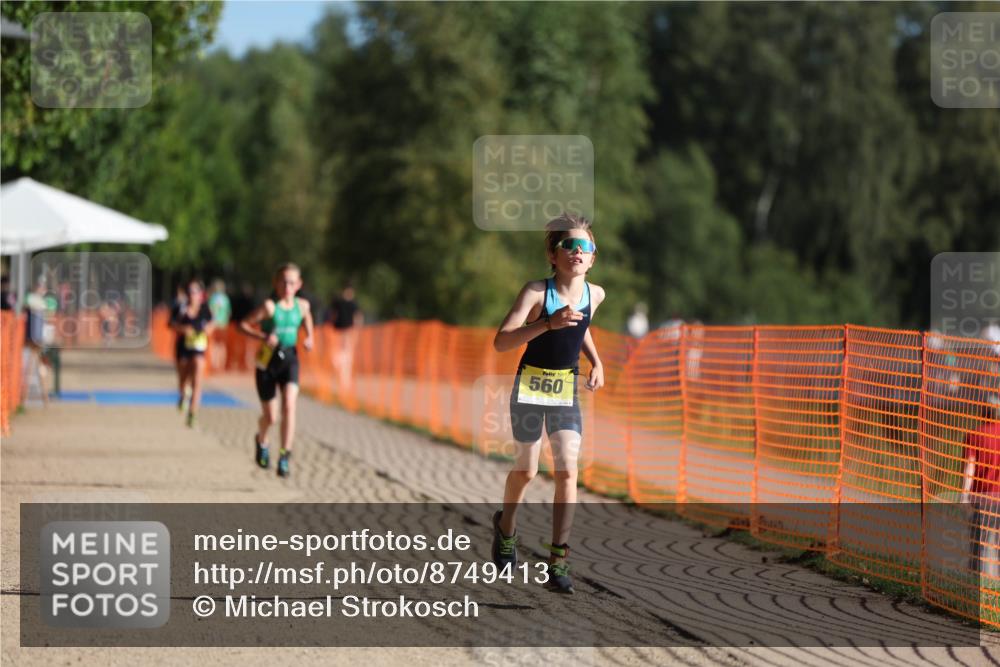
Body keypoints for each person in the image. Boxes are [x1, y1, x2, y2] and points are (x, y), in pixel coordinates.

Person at [490, 213, 606, 594]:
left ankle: (559, 557)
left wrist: (597, 361)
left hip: (565, 390)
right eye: (568, 245)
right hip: (529, 387)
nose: (577, 251)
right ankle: (506, 528)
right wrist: (546, 324)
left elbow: (581, 327)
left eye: (584, 246)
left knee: (568, 471)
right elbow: (502, 341)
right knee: (526, 471)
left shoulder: (596, 294)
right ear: (553, 255)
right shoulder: (536, 293)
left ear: (592, 258)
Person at [240, 263, 314, 478]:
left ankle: (284, 455)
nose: (287, 286)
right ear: (276, 283)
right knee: (271, 417)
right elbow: (243, 325)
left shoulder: (302, 306)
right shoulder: (270, 307)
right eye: (283, 281)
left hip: (290, 358)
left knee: (290, 405)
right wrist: (263, 337)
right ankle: (261, 439)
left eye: (291, 282)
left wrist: (310, 336)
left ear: (298, 285)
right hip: (267, 362)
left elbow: (307, 318)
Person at [961, 394, 1000, 580]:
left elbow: (970, 466)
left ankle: (975, 585)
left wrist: (964, 495)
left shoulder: (974, 435)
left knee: (979, 544)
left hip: (982, 499)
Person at [169, 279, 214, 427]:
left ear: (201, 294)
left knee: (197, 379)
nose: (191, 294)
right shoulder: (180, 307)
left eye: (194, 291)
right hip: (183, 348)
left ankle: (193, 413)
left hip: (199, 348)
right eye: (189, 291)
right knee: (183, 380)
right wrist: (183, 329)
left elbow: (213, 323)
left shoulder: (205, 308)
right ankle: (183, 395)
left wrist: (208, 329)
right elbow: (171, 324)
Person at [328, 283, 364, 393]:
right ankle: (340, 378)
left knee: (346, 357)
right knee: (337, 356)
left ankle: (345, 383)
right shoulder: (338, 302)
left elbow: (357, 317)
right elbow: (333, 315)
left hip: (348, 332)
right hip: (338, 332)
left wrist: (357, 331)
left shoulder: (353, 304)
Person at [208, 279, 232, 371]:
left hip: (214, 324)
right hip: (224, 324)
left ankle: (214, 364)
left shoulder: (213, 298)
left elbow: (211, 310)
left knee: (214, 345)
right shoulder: (226, 298)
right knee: (222, 345)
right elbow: (229, 312)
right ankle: (221, 365)